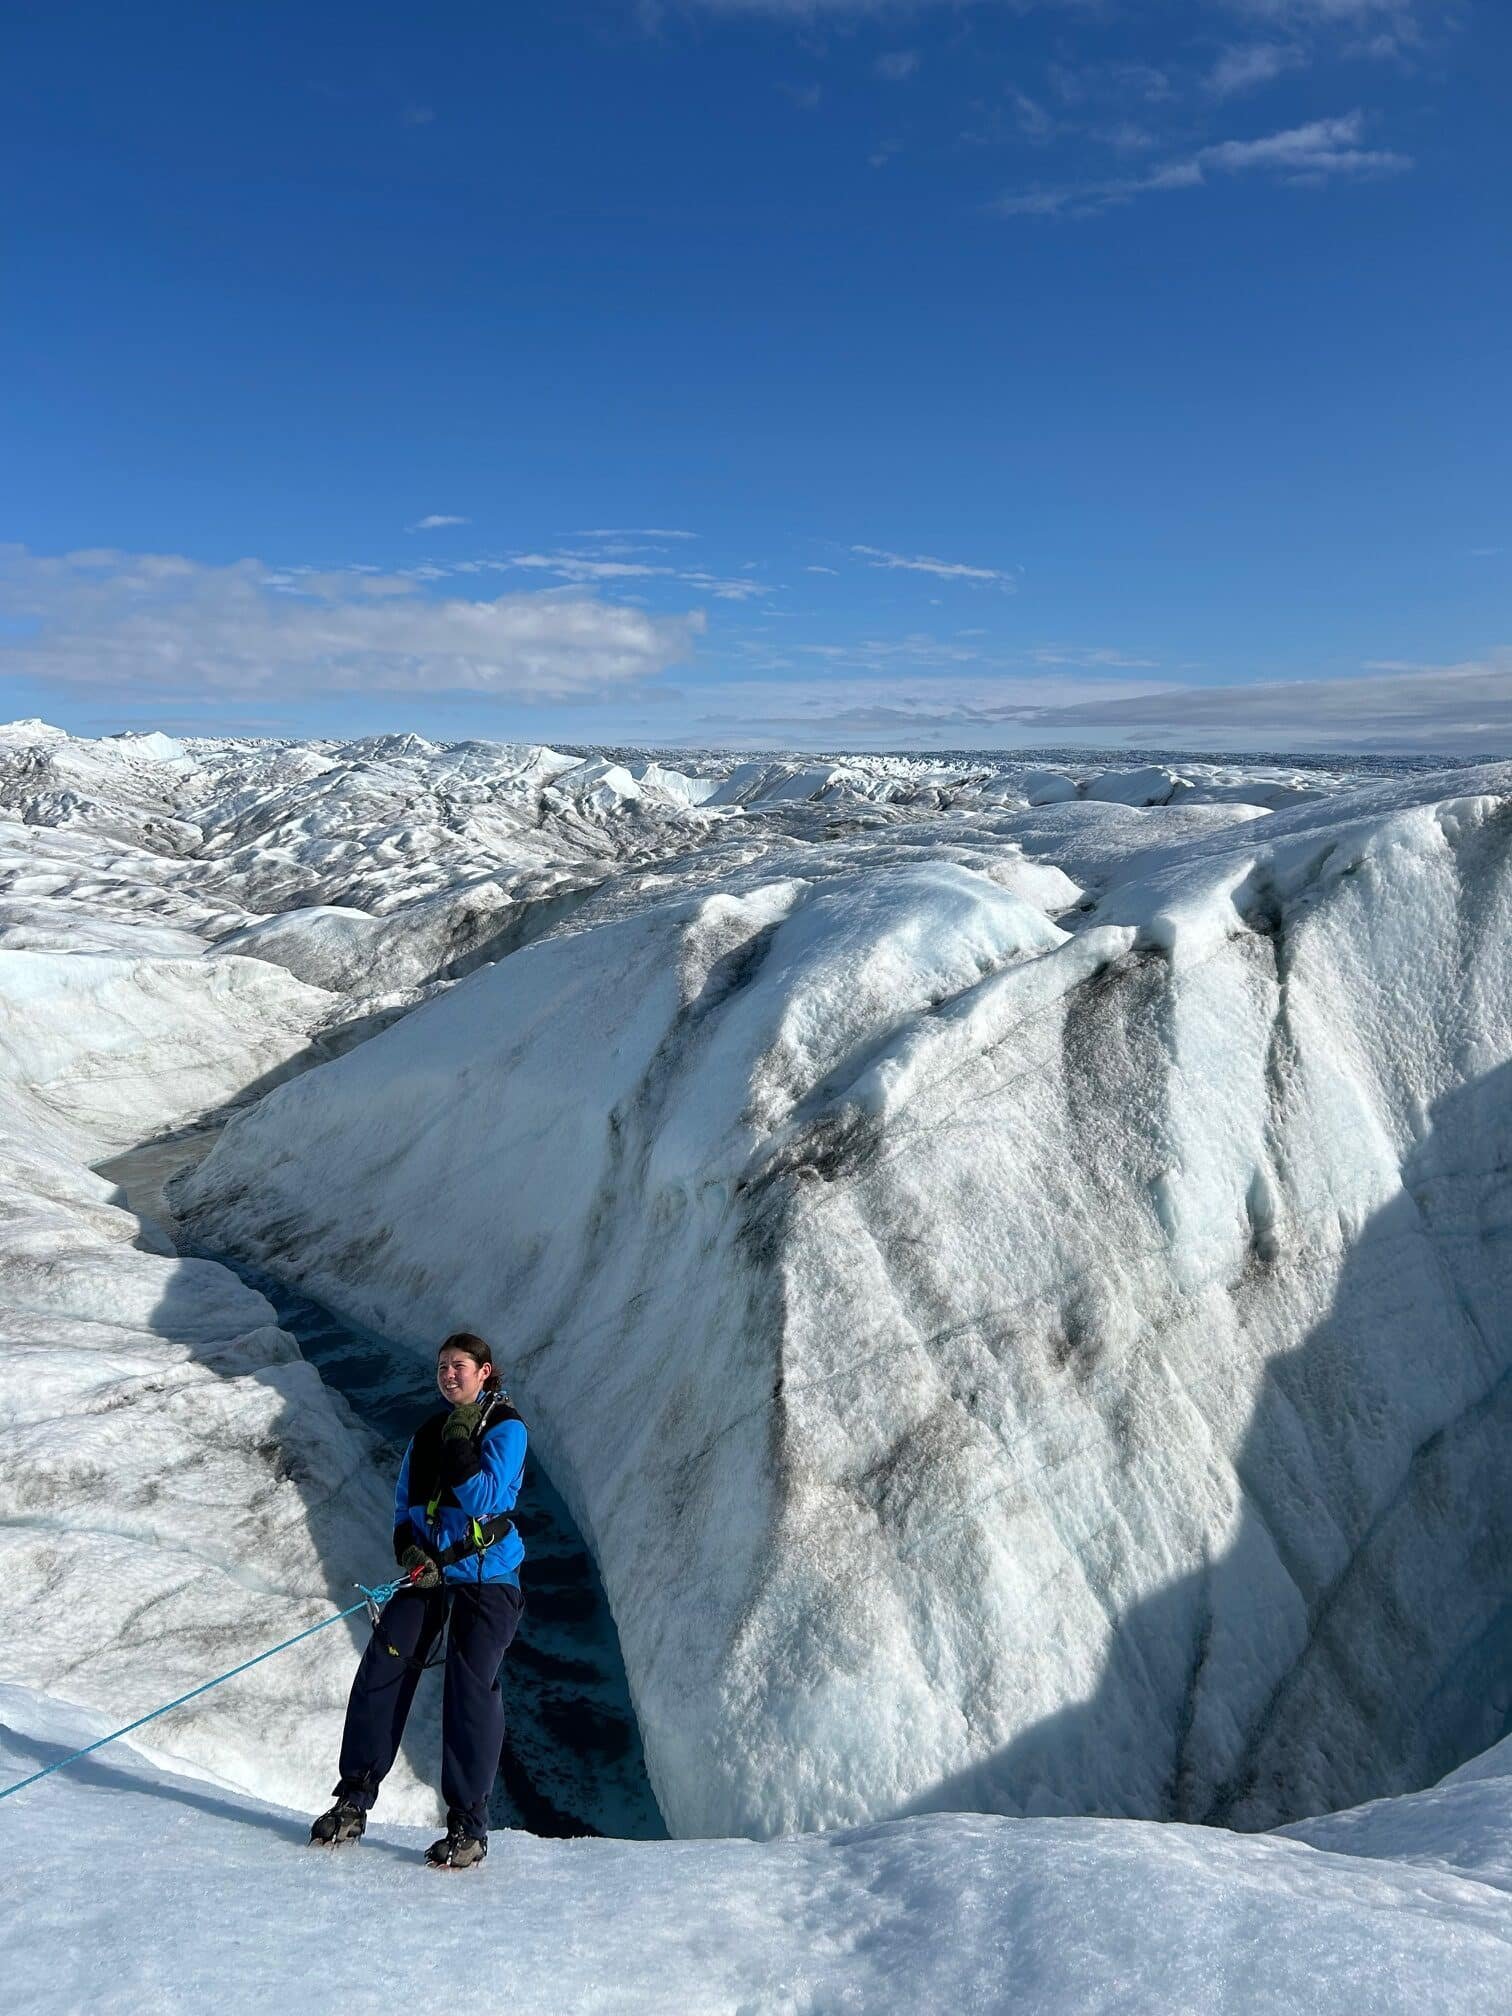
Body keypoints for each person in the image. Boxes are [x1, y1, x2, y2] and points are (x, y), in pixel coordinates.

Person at [308, 1331, 527, 1869]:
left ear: (485, 1371)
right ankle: (353, 1800)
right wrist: (408, 1548)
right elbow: (406, 1502)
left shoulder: (506, 1428)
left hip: (487, 1576)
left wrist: (458, 1444)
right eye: (442, 1367)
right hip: (429, 1574)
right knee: (384, 1665)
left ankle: (468, 1828)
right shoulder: (428, 1431)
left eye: (459, 1366)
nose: (448, 1375)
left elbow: (486, 1498)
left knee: (469, 1688)